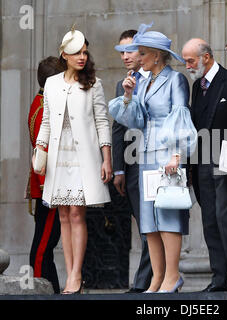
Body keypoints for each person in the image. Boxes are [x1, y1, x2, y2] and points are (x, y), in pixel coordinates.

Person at [109, 22, 197, 293]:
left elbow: (181, 117)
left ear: (156, 55)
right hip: (145, 153)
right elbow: (133, 120)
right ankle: (157, 278)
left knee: (168, 215)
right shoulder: (143, 83)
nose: (138, 59)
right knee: (149, 220)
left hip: (168, 155)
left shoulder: (175, 79)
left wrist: (177, 155)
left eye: (143, 54)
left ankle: (173, 276)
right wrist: (127, 94)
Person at [34, 27, 112, 294]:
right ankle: (69, 274)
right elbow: (45, 121)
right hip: (58, 156)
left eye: (85, 52)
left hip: (84, 157)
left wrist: (107, 160)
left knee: (77, 213)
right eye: (77, 52)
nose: (82, 57)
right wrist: (40, 150)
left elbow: (103, 122)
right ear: (64, 55)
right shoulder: (52, 84)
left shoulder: (94, 84)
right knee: (64, 215)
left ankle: (76, 275)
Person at [181, 39, 227, 292]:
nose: (187, 66)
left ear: (206, 57)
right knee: (210, 220)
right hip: (202, 161)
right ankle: (219, 278)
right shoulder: (197, 87)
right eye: (186, 61)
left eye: (190, 60)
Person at [112, 29, 152, 293]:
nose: (125, 56)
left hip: (160, 159)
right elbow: (117, 129)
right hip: (134, 162)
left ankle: (148, 281)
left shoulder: (160, 78)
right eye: (122, 52)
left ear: (143, 51)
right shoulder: (121, 84)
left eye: (130, 50)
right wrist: (118, 168)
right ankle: (147, 279)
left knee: (158, 223)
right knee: (143, 223)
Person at [26, 56, 63, 294]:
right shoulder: (44, 108)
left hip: (49, 184)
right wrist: (50, 189)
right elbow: (44, 150)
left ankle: (54, 290)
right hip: (49, 185)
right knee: (42, 247)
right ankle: (41, 289)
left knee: (47, 245)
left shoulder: (42, 102)